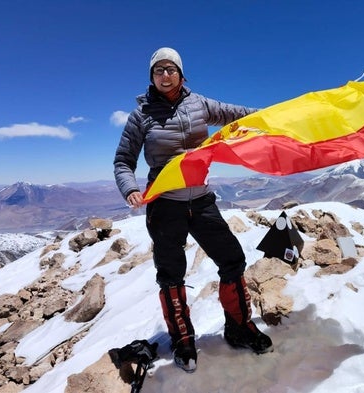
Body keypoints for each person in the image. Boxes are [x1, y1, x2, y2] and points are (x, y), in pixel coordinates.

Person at [114, 47, 273, 373]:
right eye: (158, 70)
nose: (165, 75)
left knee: (232, 259)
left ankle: (239, 327)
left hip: (200, 200)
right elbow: (123, 160)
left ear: (181, 74)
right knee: (171, 274)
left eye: (171, 69)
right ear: (151, 77)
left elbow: (237, 113)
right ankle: (183, 339)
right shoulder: (141, 115)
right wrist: (130, 187)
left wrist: (277, 115)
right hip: (164, 206)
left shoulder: (198, 104)